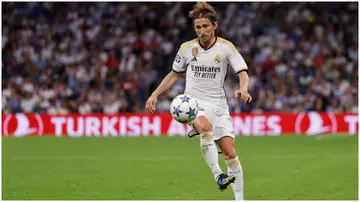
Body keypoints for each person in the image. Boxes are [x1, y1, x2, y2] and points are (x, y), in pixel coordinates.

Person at [145, 2, 251, 200]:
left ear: (214, 25)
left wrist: (243, 88)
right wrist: (155, 94)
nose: (202, 31)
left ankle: (239, 199)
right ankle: (218, 175)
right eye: (198, 27)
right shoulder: (186, 48)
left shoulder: (226, 47)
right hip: (193, 102)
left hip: (218, 104)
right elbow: (174, 75)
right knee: (204, 126)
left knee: (230, 154)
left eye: (205, 26)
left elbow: (242, 72)